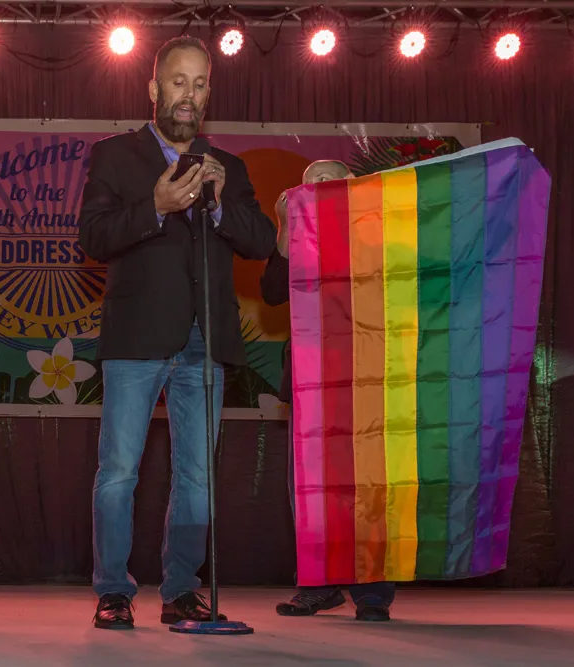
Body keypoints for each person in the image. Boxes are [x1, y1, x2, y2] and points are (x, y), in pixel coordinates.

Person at [79, 36, 276, 630]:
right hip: (136, 338)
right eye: (177, 81)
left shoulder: (227, 167)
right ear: (154, 87)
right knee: (119, 471)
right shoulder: (115, 156)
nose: (187, 94)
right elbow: (93, 237)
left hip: (205, 341)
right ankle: (113, 591)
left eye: (199, 84)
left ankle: (182, 590)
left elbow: (261, 241)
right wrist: (157, 206)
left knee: (197, 475)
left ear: (208, 94)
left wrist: (217, 205)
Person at [260, 159, 395, 622]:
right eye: (312, 182)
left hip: (368, 375)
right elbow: (272, 291)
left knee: (368, 486)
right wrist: (285, 226)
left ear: (352, 185)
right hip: (311, 379)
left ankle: (372, 592)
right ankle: (318, 586)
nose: (321, 185)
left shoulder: (377, 232)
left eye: (331, 178)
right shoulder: (299, 237)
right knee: (312, 489)